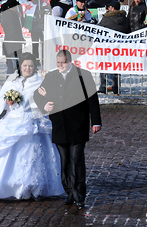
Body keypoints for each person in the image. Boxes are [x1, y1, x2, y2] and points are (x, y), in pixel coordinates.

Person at [0, 52, 65, 200]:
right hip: (13, 121)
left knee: (34, 155)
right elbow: (1, 97)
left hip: (33, 122)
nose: (28, 68)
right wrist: (8, 102)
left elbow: (47, 101)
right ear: (20, 66)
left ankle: (34, 186)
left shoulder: (40, 82)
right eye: (25, 65)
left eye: (31, 66)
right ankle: (7, 185)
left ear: (35, 67)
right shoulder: (13, 81)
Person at [33, 50, 102, 209]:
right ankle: (69, 191)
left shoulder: (83, 75)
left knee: (77, 160)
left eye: (63, 63)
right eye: (58, 63)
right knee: (64, 162)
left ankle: (79, 194)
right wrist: (44, 104)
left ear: (70, 61)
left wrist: (96, 122)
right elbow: (38, 95)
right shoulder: (51, 76)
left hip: (78, 125)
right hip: (59, 126)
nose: (60, 66)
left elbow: (93, 99)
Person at [97, 0, 130, 94]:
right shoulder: (125, 19)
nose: (107, 9)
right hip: (119, 48)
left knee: (103, 66)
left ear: (113, 8)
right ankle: (116, 87)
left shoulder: (106, 19)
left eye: (109, 7)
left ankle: (103, 87)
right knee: (117, 68)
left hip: (106, 47)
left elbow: (98, 29)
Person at [0, 0, 24, 74]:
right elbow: (13, 30)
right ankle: (11, 78)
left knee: (13, 62)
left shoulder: (12, 14)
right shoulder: (9, 15)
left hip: (13, 41)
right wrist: (20, 39)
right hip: (12, 42)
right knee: (13, 63)